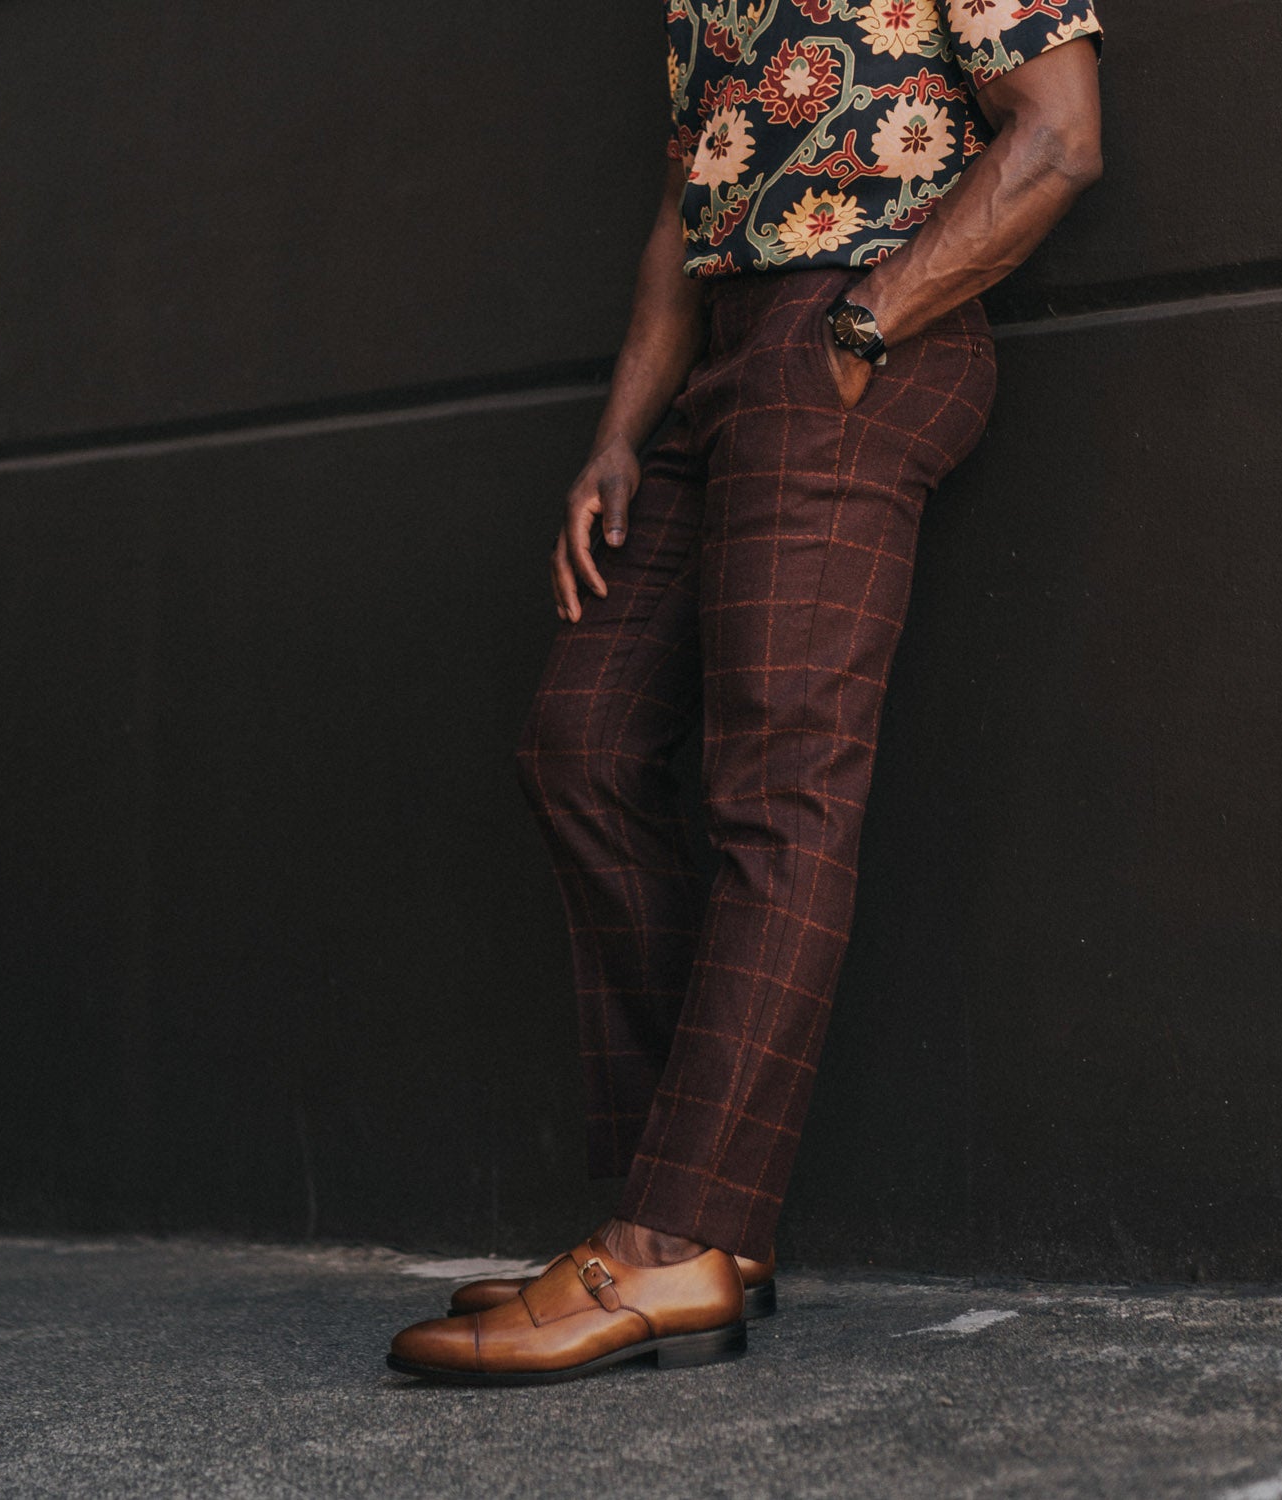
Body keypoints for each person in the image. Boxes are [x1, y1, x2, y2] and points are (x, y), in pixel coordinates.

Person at [389, 0, 1103, 1387]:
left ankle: (670, 1241)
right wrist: (617, 436)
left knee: (777, 786)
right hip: (725, 363)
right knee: (579, 747)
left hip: (865, 335)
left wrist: (867, 322)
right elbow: (683, 217)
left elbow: (1062, 137)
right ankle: (687, 1211)